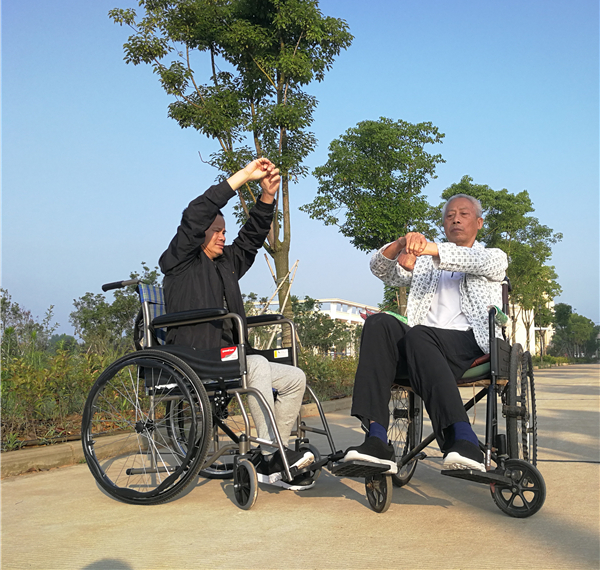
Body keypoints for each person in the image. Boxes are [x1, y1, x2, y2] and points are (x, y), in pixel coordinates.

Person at [159, 158, 314, 490]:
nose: (222, 236)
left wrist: (268, 195)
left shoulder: (226, 262)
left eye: (224, 231)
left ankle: (275, 457)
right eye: (216, 231)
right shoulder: (181, 261)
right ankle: (272, 453)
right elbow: (195, 213)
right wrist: (244, 176)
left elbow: (252, 237)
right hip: (194, 356)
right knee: (254, 365)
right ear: (198, 233)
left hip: (228, 355)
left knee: (294, 379)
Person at [342, 194, 508, 473]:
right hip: (420, 346)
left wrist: (425, 247)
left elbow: (466, 258)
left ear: (479, 223)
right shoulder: (425, 265)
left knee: (420, 335)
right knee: (378, 323)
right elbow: (380, 269)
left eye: (463, 214)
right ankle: (376, 440)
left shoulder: (493, 257)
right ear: (443, 224)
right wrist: (401, 244)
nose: (455, 219)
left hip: (469, 342)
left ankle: (464, 438)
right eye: (449, 215)